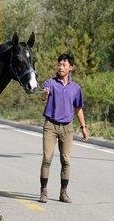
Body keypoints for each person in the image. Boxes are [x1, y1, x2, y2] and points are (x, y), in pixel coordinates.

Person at [38, 53, 89, 203]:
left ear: (71, 67)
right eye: (59, 64)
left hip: (67, 128)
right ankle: (43, 191)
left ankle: (63, 193)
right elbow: (42, 96)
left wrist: (83, 127)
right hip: (50, 126)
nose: (60, 67)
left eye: (64, 65)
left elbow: (78, 108)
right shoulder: (50, 83)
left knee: (66, 160)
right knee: (47, 158)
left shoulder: (76, 88)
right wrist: (44, 94)